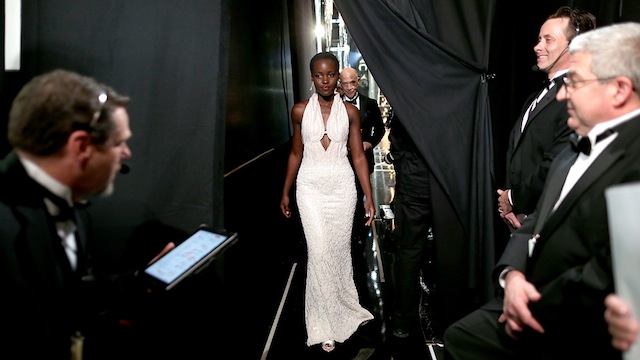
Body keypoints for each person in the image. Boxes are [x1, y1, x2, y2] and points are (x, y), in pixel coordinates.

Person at [443, 21, 640, 359]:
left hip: (571, 317)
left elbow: (613, 268)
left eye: (575, 82)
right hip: (530, 292)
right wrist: (511, 275)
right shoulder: (574, 148)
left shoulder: (633, 156)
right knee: (459, 336)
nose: (563, 93)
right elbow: (538, 221)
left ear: (619, 90)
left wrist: (531, 302)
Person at [0, 69, 174, 360]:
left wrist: (141, 282)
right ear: (81, 146)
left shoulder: (74, 209)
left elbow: (71, 290)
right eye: (119, 143)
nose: (127, 154)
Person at [279, 52, 376, 353]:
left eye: (331, 74)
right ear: (311, 77)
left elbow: (358, 155)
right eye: (319, 75)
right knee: (318, 251)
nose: (325, 80)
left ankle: (343, 307)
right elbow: (295, 153)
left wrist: (368, 196)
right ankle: (322, 322)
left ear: (337, 77)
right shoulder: (299, 111)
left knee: (337, 251)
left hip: (342, 188)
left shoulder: (350, 113)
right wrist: (284, 191)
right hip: (309, 188)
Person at [497, 6, 596, 232]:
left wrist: (513, 199)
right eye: (539, 39)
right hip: (522, 222)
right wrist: (512, 207)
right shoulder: (535, 97)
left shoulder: (578, 95)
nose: (537, 47)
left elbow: (558, 164)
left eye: (548, 40)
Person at [384, 112, 435, 347]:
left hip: (414, 187)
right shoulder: (451, 93)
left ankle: (403, 321)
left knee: (409, 254)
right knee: (448, 254)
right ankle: (445, 320)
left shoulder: (407, 100)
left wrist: (401, 161)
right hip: (445, 185)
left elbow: (397, 144)